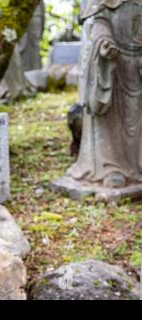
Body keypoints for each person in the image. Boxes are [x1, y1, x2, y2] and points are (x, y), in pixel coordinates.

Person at [67, 0, 142, 188]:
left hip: (138, 65)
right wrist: (104, 43)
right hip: (113, 64)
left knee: (137, 118)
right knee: (109, 117)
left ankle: (138, 163)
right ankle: (110, 167)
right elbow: (98, 22)